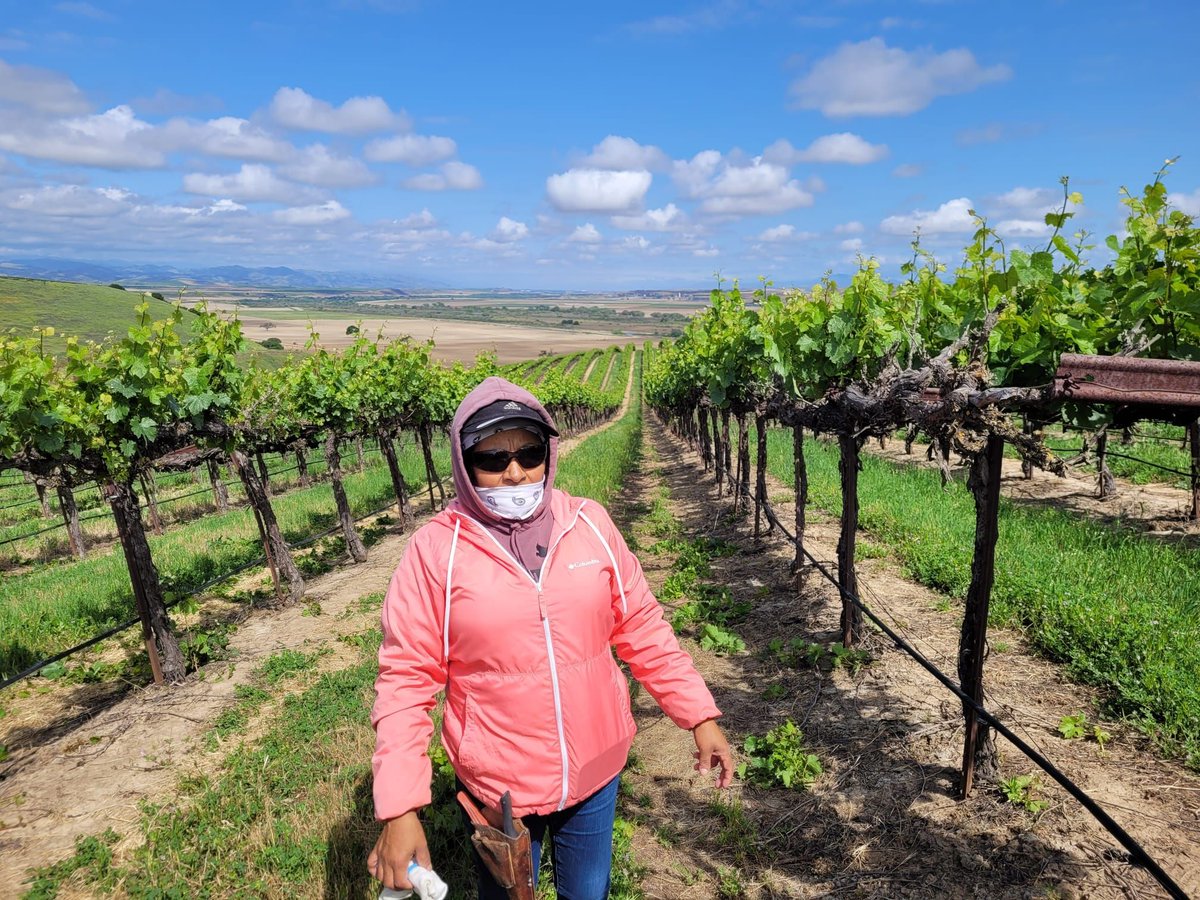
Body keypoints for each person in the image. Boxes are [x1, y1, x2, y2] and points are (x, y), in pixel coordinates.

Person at [368, 376, 732, 899]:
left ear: (548, 453)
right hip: (499, 788)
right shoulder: (434, 553)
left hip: (595, 769)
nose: (515, 472)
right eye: (492, 458)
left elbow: (642, 625)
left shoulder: (589, 524)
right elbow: (405, 680)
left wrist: (699, 714)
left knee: (588, 894)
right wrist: (400, 807)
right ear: (464, 464)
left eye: (529, 452)